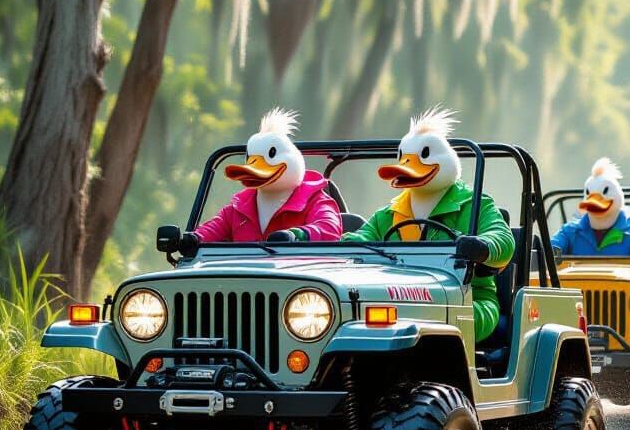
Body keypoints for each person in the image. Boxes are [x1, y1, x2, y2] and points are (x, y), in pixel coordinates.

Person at [342, 106, 514, 343]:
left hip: (468, 297)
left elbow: (502, 238)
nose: (408, 166)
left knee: (434, 321)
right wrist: (348, 245)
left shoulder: (474, 204)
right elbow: (363, 236)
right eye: (404, 158)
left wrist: (481, 246)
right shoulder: (389, 213)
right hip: (396, 298)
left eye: (422, 156)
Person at [194, 108, 341, 244]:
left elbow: (329, 228)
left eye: (271, 155)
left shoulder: (314, 201)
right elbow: (214, 227)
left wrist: (297, 235)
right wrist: (194, 239)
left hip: (295, 269)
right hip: (246, 270)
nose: (254, 167)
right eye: (251, 158)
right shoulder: (238, 207)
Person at [551, 158, 630, 258]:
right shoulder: (572, 230)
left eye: (605, 192)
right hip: (580, 278)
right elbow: (556, 242)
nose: (594, 203)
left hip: (621, 277)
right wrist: (552, 249)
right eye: (589, 194)